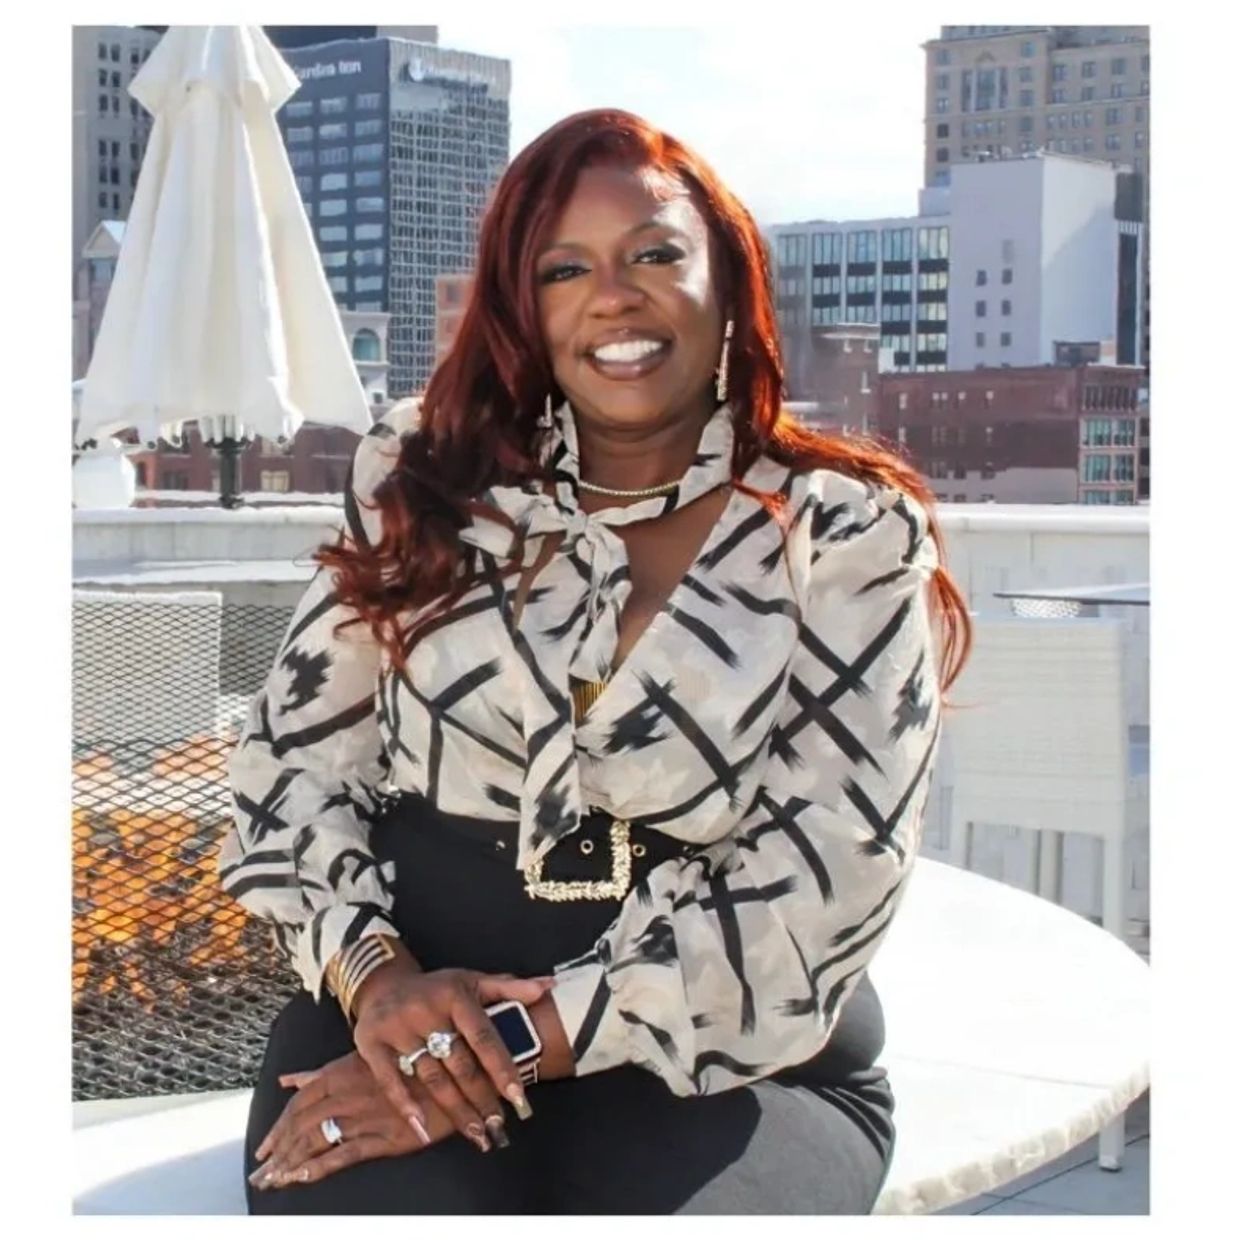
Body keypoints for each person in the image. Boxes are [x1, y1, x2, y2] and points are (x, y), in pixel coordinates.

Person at [218, 107, 971, 1215]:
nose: (612, 296)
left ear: (729, 282)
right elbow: (289, 769)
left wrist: (514, 1041)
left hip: (727, 1058)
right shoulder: (423, 478)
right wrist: (376, 980)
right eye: (564, 269)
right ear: (524, 308)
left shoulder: (844, 531)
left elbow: (831, 874)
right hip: (404, 1026)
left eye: (655, 255)